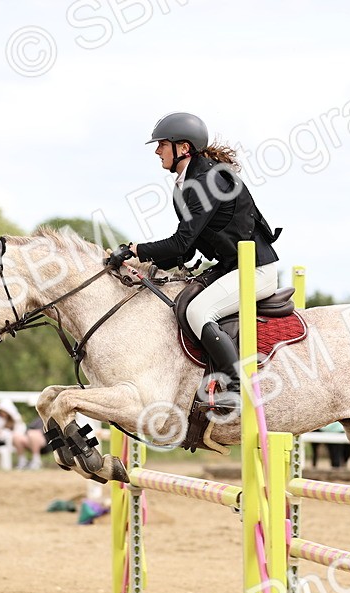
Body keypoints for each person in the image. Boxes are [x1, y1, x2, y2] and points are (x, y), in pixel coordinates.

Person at [105, 112, 281, 405]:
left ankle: (237, 386)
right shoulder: (184, 185)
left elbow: (181, 241)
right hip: (229, 268)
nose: (157, 151)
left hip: (256, 270)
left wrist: (138, 250)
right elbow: (187, 251)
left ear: (183, 148)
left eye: (162, 144)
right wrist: (144, 267)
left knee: (198, 312)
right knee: (179, 300)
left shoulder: (209, 181)